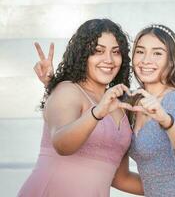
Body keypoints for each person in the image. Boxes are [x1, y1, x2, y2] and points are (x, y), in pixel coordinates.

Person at [17, 19, 143, 197]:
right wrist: (97, 112)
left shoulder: (118, 104)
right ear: (83, 55)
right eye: (98, 51)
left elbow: (121, 178)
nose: (108, 59)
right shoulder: (67, 90)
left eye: (115, 52)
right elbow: (62, 144)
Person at [124, 24, 175, 196]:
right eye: (140, 51)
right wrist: (53, 84)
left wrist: (165, 120)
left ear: (171, 61)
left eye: (157, 53)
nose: (146, 60)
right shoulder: (133, 101)